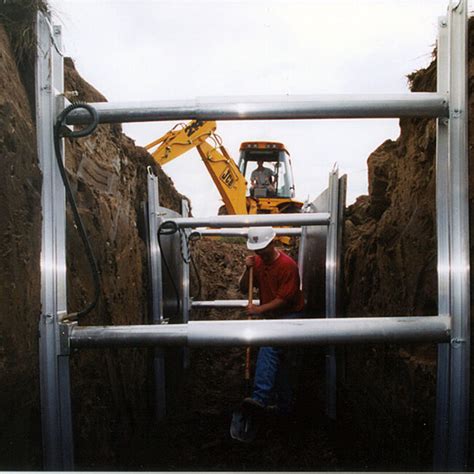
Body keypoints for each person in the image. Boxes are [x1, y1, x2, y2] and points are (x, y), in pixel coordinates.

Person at [239, 226, 304, 415]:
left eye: (263, 249)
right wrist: (247, 269)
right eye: (257, 250)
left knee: (269, 346)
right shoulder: (258, 263)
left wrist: (258, 310)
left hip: (290, 315)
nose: (260, 253)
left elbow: (284, 300)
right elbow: (244, 288)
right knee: (279, 360)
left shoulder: (287, 266)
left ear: (273, 243)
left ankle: (260, 397)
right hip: (272, 316)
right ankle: (284, 406)